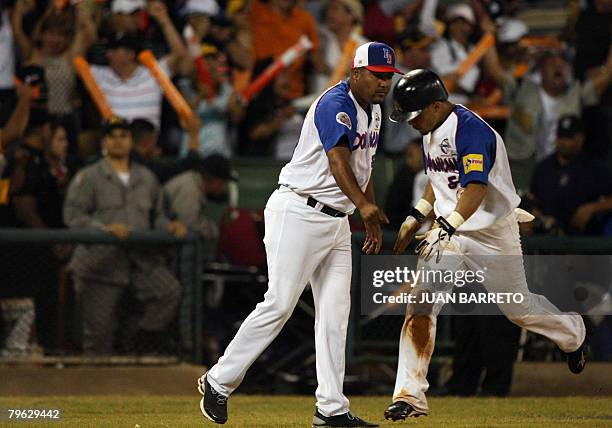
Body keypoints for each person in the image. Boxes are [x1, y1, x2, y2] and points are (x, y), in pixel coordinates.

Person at [198, 42, 399, 427]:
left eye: (389, 77)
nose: (383, 83)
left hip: (337, 219)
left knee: (335, 313)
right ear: (356, 72)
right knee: (280, 303)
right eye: (377, 75)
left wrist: (367, 214)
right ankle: (219, 381)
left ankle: (330, 409)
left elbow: (363, 166)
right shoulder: (333, 103)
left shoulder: (373, 110)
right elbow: (337, 159)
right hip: (299, 211)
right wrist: (363, 206)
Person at [383, 69, 587, 421]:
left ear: (436, 104)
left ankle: (573, 334)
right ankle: (409, 396)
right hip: (453, 229)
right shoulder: (431, 127)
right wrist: (416, 215)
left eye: (415, 115)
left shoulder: (471, 130)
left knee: (518, 309)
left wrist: (446, 224)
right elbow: (439, 178)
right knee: (421, 304)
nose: (411, 124)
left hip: (492, 232)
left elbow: (475, 188)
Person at [63, 117, 186, 354]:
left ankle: (137, 341)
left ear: (131, 141)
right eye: (113, 136)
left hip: (139, 258)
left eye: (124, 136)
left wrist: (170, 226)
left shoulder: (146, 177)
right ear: (104, 142)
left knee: (168, 292)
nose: (119, 141)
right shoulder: (89, 176)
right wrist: (103, 229)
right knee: (98, 335)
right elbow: (73, 216)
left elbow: (156, 216)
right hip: (101, 262)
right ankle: (95, 386)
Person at [530, 115, 612, 235]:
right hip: (547, 238)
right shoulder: (544, 167)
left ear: (580, 139)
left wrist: (593, 208)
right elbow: (533, 198)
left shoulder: (594, 168)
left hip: (581, 240)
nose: (563, 142)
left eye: (568, 138)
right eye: (560, 137)